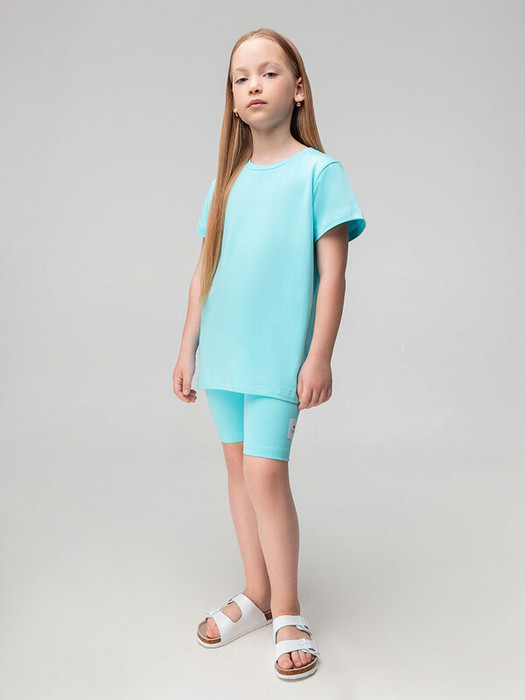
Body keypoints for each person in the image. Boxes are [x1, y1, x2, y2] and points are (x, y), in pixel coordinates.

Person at [172, 27, 366, 681]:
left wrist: (319, 356)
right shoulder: (225, 183)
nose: (254, 85)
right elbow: (204, 270)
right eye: (241, 77)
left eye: (269, 72)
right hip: (224, 356)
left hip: (278, 357)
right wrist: (187, 346)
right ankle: (255, 593)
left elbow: (332, 274)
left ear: (299, 89)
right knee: (236, 471)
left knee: (264, 476)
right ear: (232, 100)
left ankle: (288, 609)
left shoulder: (319, 173)